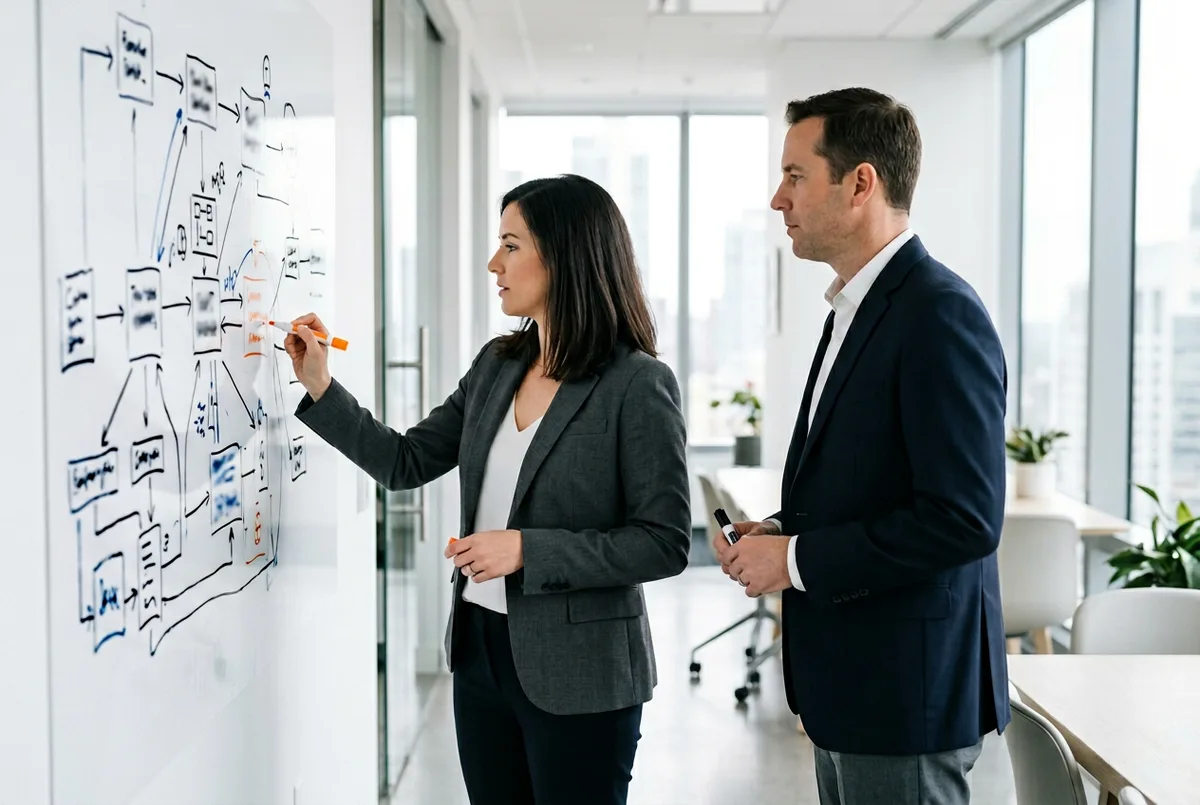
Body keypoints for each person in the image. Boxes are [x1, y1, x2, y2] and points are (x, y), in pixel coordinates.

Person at [285, 174, 691, 805]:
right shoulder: (498, 365)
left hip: (582, 672)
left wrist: (528, 549)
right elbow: (406, 461)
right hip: (481, 655)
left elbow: (663, 542)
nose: (492, 264)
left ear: (565, 256)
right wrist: (320, 386)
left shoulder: (637, 385)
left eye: (510, 245)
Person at [715, 88, 1009, 804]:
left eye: (794, 175)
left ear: (860, 183)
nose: (778, 199)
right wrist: (785, 529)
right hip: (853, 682)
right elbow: (871, 480)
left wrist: (793, 560)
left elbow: (963, 519)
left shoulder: (940, 314)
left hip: (905, 692)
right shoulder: (856, 305)